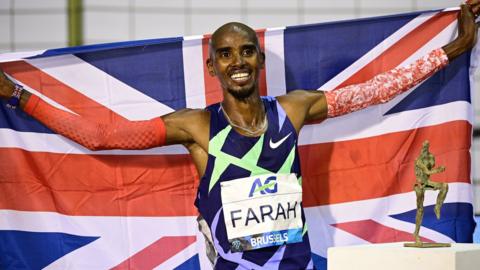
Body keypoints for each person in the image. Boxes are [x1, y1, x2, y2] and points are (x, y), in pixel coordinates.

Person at [0, 2, 479, 269]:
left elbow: (375, 91)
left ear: (258, 58)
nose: (238, 62)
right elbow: (102, 135)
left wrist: (451, 50)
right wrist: (20, 97)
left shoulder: (293, 109)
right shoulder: (195, 127)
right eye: (226, 54)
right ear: (212, 66)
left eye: (247, 51)